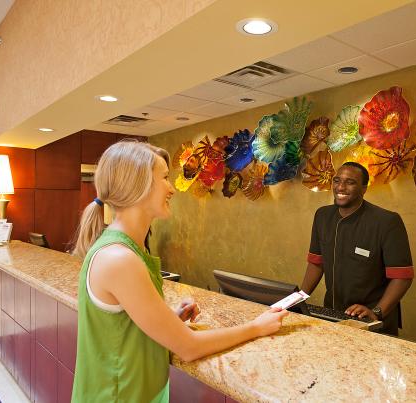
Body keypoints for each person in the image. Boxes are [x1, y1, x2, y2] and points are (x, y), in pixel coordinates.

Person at [71, 141, 287, 402]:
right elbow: (188, 347)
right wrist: (256, 327)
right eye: (164, 178)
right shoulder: (120, 259)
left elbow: (123, 327)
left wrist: (169, 320)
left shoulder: (122, 249)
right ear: (138, 186)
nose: (171, 188)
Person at [300, 162, 413, 336]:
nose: (341, 187)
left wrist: (377, 312)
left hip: (372, 320)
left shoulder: (387, 222)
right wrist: (297, 299)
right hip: (333, 315)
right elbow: (317, 263)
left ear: (364, 188)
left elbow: (402, 277)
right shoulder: (322, 216)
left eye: (350, 182)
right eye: (336, 180)